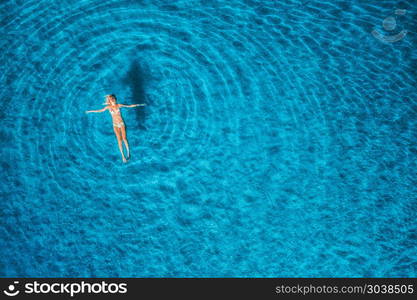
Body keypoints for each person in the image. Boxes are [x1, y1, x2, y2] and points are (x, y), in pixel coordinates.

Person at [86, 94, 145, 163]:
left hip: (121, 123)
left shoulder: (118, 105)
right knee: (119, 140)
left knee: (124, 138)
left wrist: (138, 105)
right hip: (115, 125)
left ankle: (128, 152)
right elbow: (100, 111)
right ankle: (123, 156)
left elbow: (128, 106)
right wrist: (90, 111)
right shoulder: (108, 107)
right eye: (111, 100)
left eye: (114, 99)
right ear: (110, 101)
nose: (113, 100)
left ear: (115, 100)